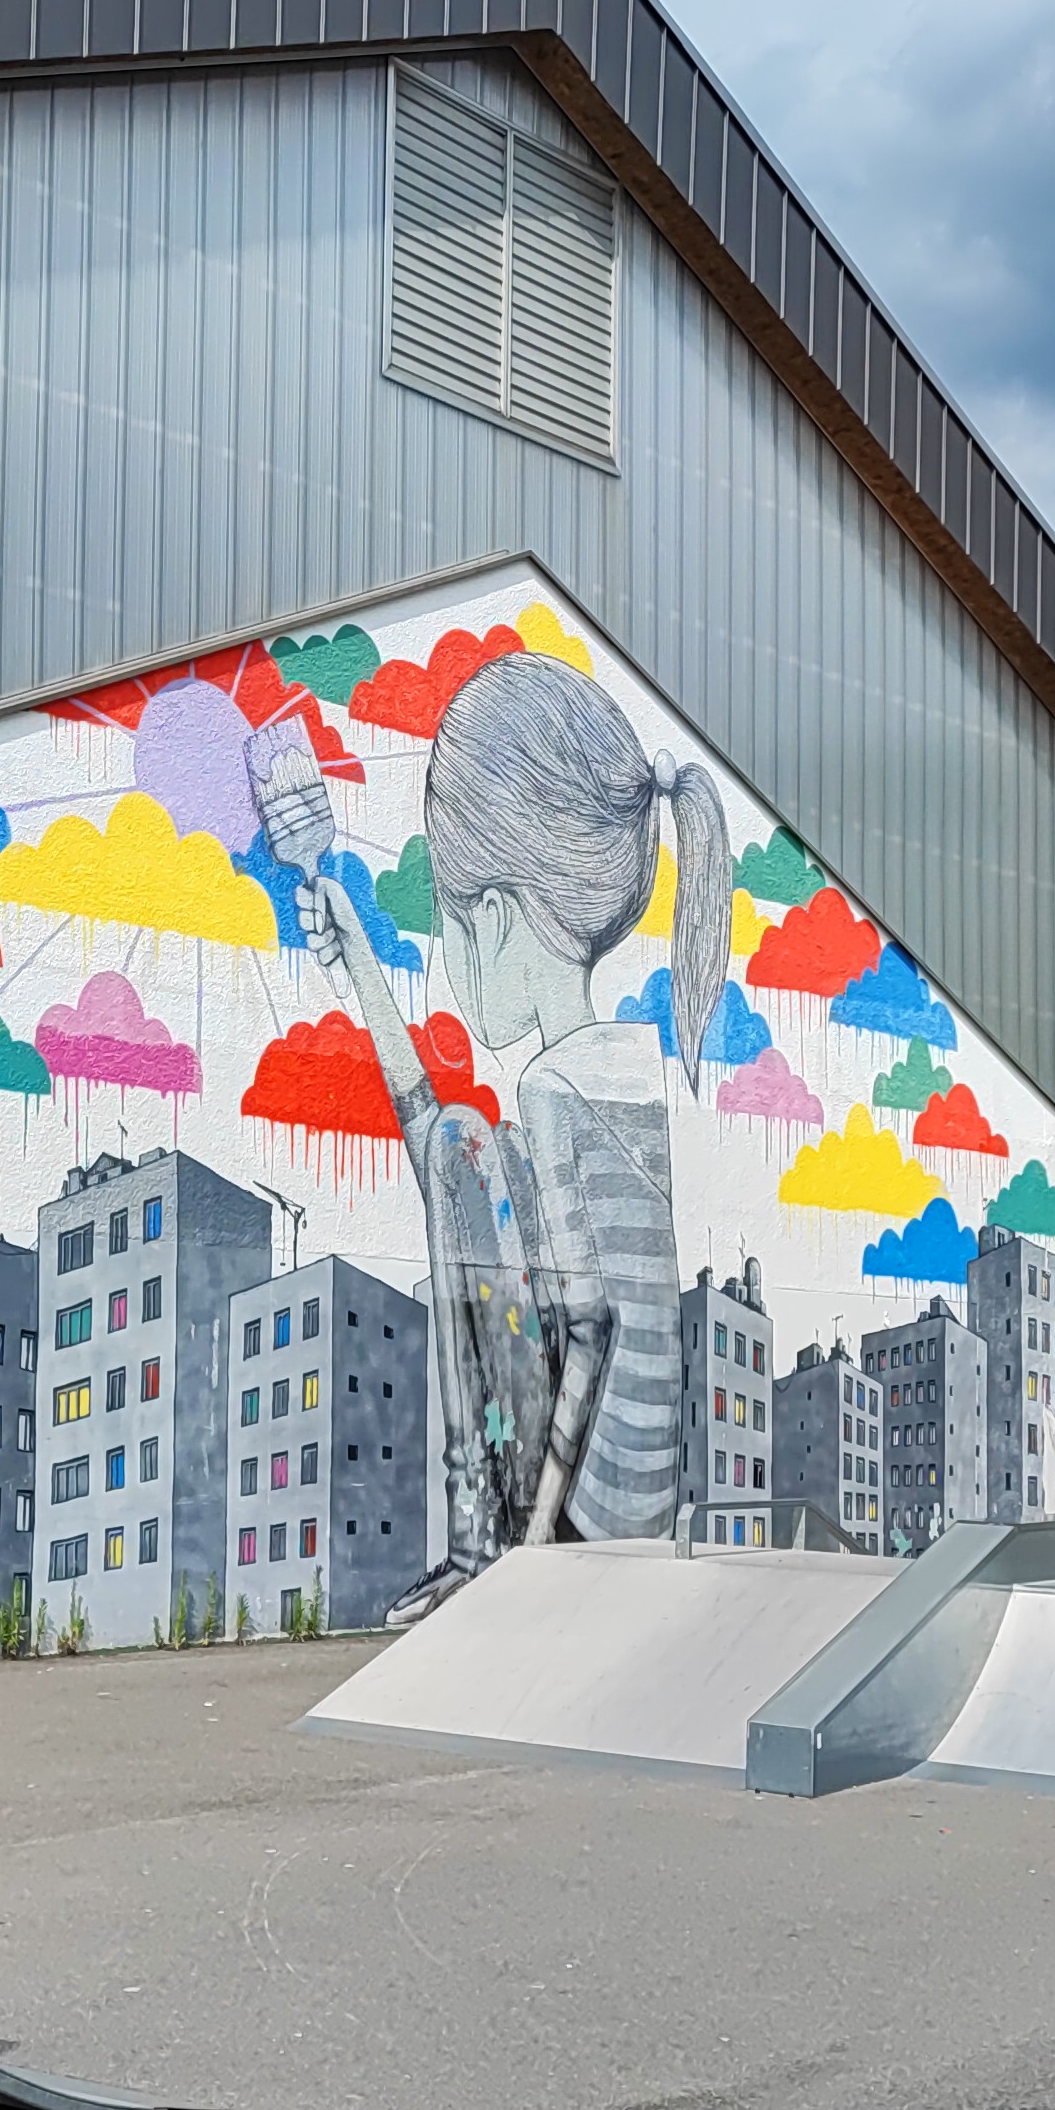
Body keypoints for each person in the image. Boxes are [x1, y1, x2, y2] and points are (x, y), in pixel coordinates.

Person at [254, 648, 731, 1588]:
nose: (452, 961)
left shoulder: (554, 1094)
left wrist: (533, 1545)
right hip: (648, 1494)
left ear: (503, 918)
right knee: (461, 1143)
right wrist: (361, 970)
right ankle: (486, 1532)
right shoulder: (625, 1071)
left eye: (452, 925)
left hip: (585, 1512)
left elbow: (588, 1323)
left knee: (465, 1146)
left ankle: (477, 1540)